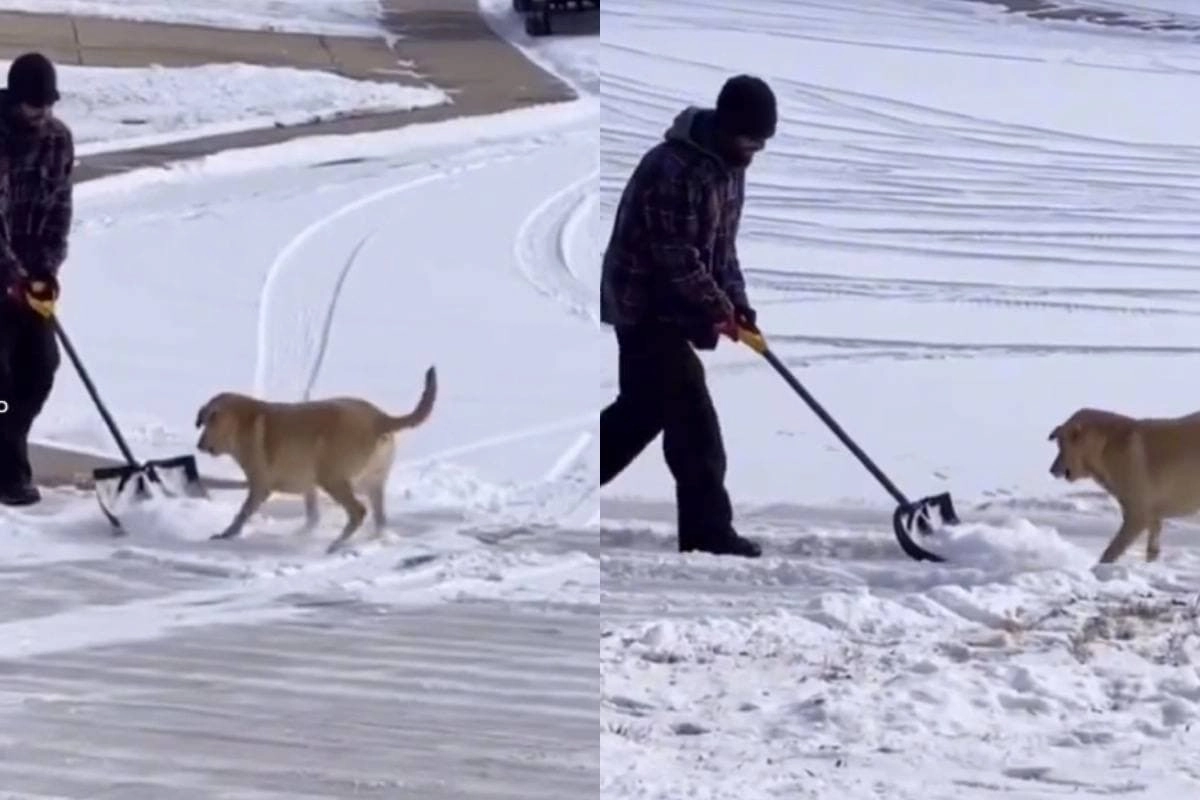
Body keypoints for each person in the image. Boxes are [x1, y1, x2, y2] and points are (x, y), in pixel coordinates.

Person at [599, 74, 776, 558]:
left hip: (674, 306)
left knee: (640, 413)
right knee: (694, 423)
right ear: (725, 126)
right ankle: (707, 532)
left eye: (762, 142)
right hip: (643, 304)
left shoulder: (729, 165)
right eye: (748, 138)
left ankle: (560, 490)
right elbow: (676, 255)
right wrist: (719, 311)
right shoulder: (674, 170)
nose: (754, 150)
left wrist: (738, 302)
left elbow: (722, 248)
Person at [0, 52, 73, 506]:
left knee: (40, 369)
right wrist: (11, 274)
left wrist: (46, 269)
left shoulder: (57, 140)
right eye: (33, 105)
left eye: (47, 104)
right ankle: (11, 473)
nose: (42, 114)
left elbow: (61, 206)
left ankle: (8, 446)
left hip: (30, 278)